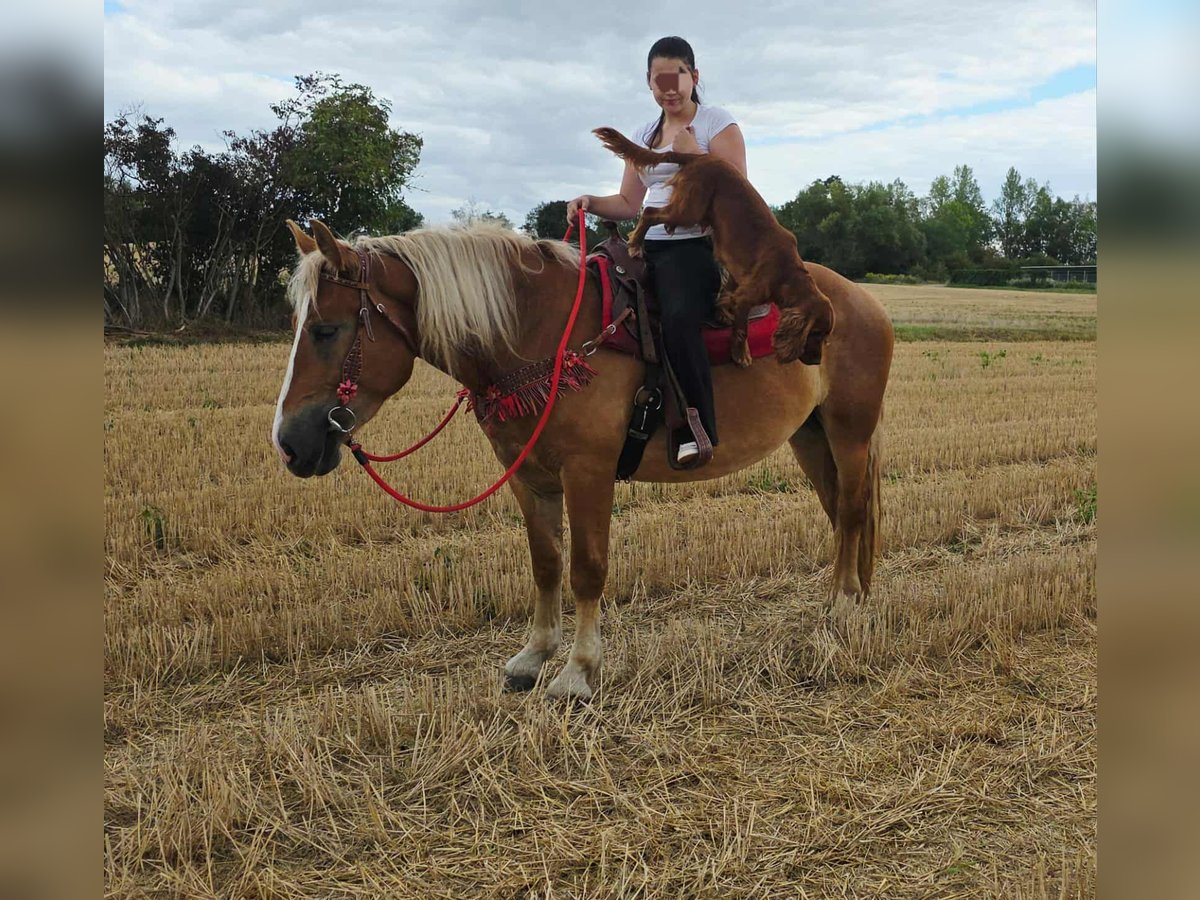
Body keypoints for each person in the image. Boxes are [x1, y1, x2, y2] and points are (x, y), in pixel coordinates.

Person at [567, 36, 747, 465]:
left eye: (677, 75)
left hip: (694, 247)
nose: (669, 87)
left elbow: (738, 193)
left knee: (681, 320)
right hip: (645, 244)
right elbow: (629, 204)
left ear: (694, 77)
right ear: (649, 84)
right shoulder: (644, 135)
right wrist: (590, 201)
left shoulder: (716, 124)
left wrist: (696, 156)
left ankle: (699, 426)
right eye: (658, 79)